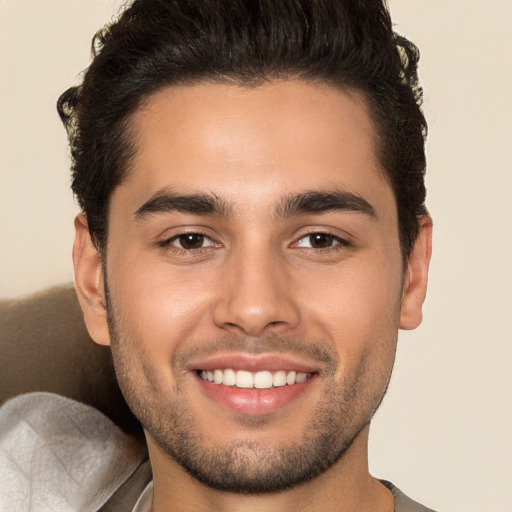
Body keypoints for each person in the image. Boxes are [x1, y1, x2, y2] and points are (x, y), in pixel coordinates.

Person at [0, 0, 435, 510]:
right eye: (189, 240)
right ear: (94, 280)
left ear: (412, 272)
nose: (254, 308)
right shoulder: (27, 471)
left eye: (320, 239)